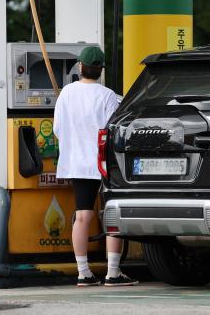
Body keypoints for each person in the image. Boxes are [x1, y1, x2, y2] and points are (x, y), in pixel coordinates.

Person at [53, 46, 137, 287]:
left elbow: (58, 129)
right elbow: (114, 131)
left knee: (82, 217)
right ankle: (113, 273)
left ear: (80, 67)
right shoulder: (108, 96)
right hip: (104, 163)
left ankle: (83, 273)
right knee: (111, 216)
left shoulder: (66, 93)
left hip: (77, 163)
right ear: (101, 70)